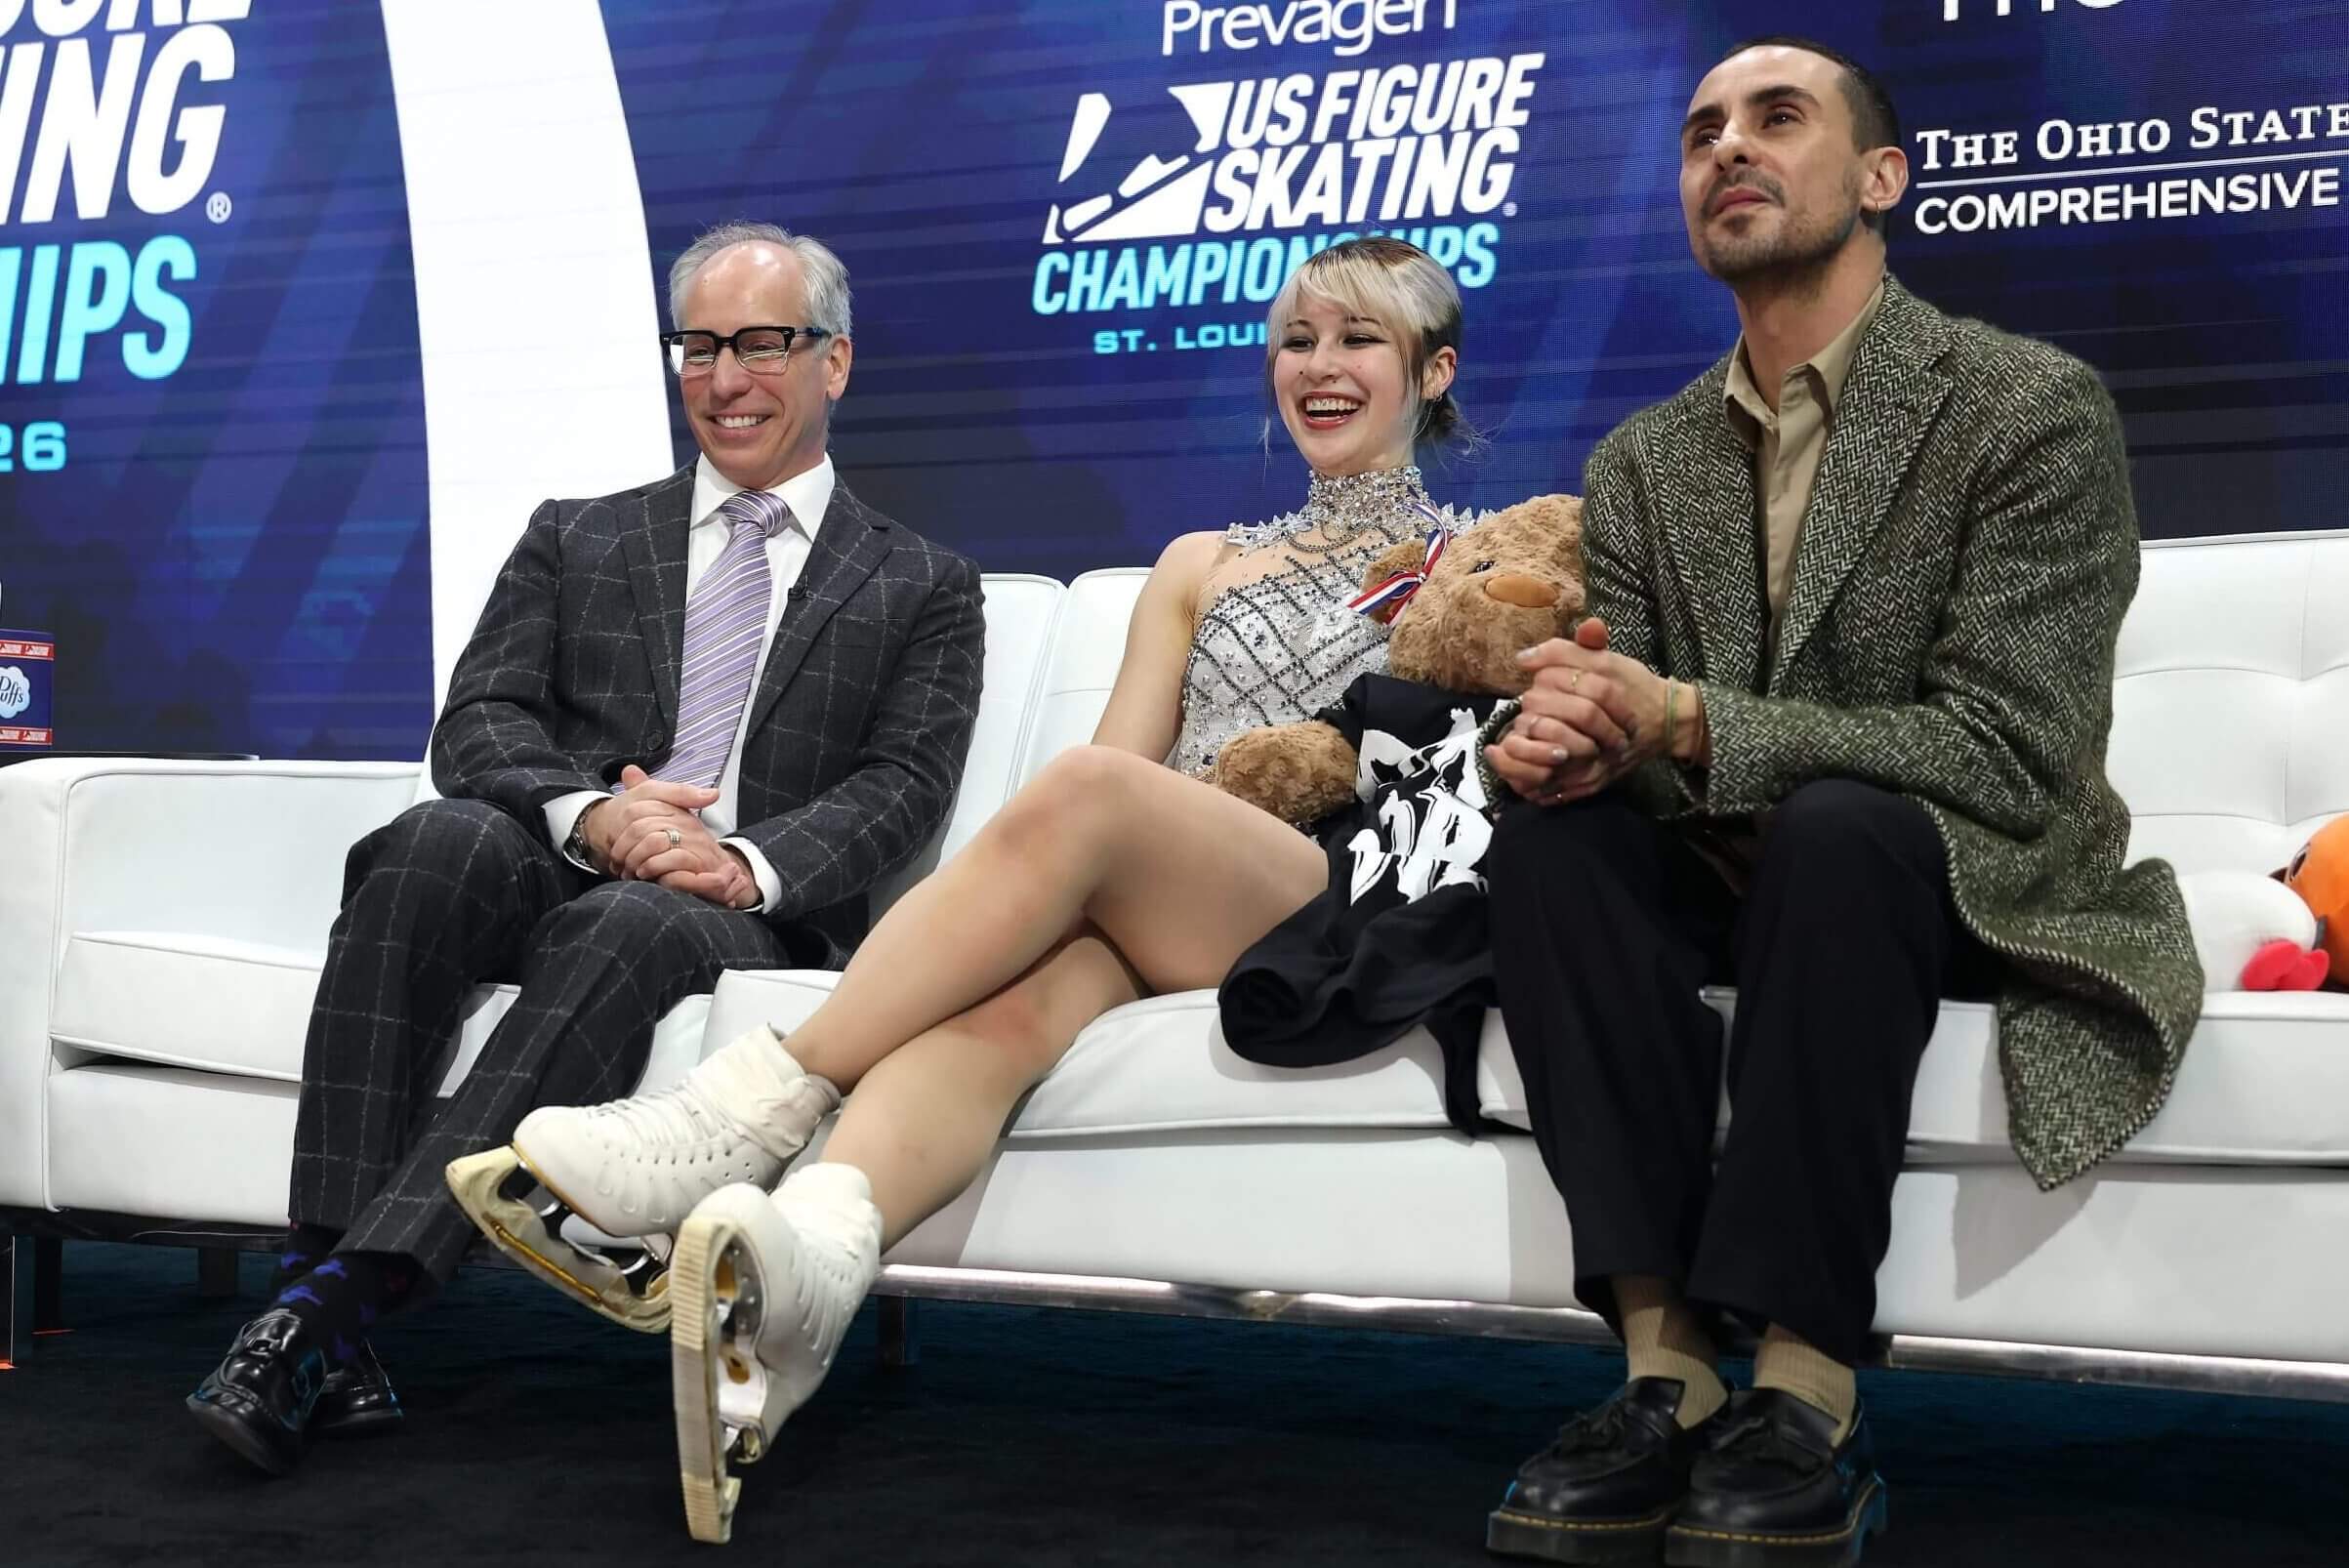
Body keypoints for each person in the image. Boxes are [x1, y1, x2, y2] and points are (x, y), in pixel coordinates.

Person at [450, 235, 1480, 1543]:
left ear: (1430, 371)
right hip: (1171, 894)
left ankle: (748, 1103)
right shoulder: (1197, 563)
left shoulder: (1486, 560)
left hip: (1341, 892)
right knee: (993, 1005)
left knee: (1080, 797)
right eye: (1298, 340)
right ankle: (805, 1278)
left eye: (1358, 343)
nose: (1319, 368)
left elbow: (1440, 782)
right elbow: (1123, 766)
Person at [1475, 37, 2201, 1567]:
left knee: (1843, 821)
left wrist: (1687, 718)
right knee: (1552, 840)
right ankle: (1661, 1374)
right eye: (1699, 132)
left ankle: (1804, 1388)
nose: (1726, 147)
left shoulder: (2023, 405)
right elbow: (1662, 740)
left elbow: (2013, 749)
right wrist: (1584, 737)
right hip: (1733, 861)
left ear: (1880, 180)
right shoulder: (1641, 457)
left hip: (1963, 874)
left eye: (1774, 119)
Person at [185, 222, 988, 1476]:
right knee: (433, 840)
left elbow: (904, 781)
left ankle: (324, 1308)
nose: (726, 379)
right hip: (562, 850)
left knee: (630, 922)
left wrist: (744, 863)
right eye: (701, 347)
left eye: (763, 344)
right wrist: (592, 811)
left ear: (834, 362)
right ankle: (321, 1296)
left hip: (736, 901)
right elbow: (482, 720)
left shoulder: (923, 583)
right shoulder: (582, 533)